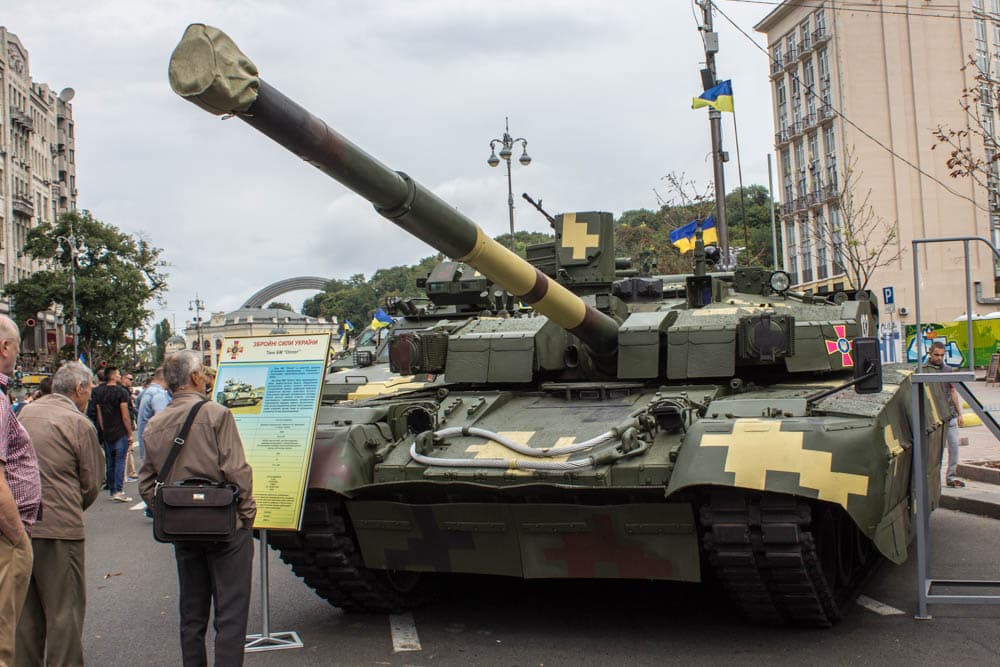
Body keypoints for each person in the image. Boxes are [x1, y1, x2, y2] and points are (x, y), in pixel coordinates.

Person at [139, 351, 256, 666]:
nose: (206, 376)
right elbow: (237, 471)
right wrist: (246, 515)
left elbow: (146, 483)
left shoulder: (155, 423)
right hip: (224, 522)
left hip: (182, 526)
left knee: (191, 612)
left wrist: (169, 512)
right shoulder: (217, 414)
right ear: (193, 378)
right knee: (231, 613)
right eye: (203, 371)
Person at [15, 362, 103, 666]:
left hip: (20, 525)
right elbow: (91, 483)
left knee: (27, 617)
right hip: (60, 526)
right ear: (80, 389)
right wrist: (72, 506)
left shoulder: (25, 413)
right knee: (64, 613)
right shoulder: (77, 422)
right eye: (89, 388)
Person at [0, 316, 40, 666]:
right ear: (4, 348)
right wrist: (18, 540)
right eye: (17, 347)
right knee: (2, 638)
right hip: (5, 537)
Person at [927, 340, 965, 488]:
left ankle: (951, 477)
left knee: (954, 446)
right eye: (936, 355)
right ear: (930, 354)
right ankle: (932, 480)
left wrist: (960, 413)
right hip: (934, 417)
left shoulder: (947, 370)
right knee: (935, 451)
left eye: (942, 355)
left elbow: (953, 391)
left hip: (950, 414)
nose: (939, 358)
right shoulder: (924, 370)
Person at [96, 366, 134, 502]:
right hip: (120, 430)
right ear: (112, 376)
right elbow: (125, 415)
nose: (119, 376)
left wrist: (103, 428)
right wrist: (129, 432)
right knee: (120, 460)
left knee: (110, 460)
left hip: (107, 430)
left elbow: (99, 413)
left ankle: (112, 489)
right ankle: (118, 489)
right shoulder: (121, 392)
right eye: (118, 374)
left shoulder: (98, 392)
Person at [121, 372, 139, 481]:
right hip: (125, 423)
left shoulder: (126, 391)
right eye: (130, 379)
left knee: (129, 450)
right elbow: (126, 411)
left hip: (129, 421)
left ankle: (131, 472)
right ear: (124, 379)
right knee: (127, 449)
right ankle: (125, 475)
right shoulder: (122, 392)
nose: (131, 381)